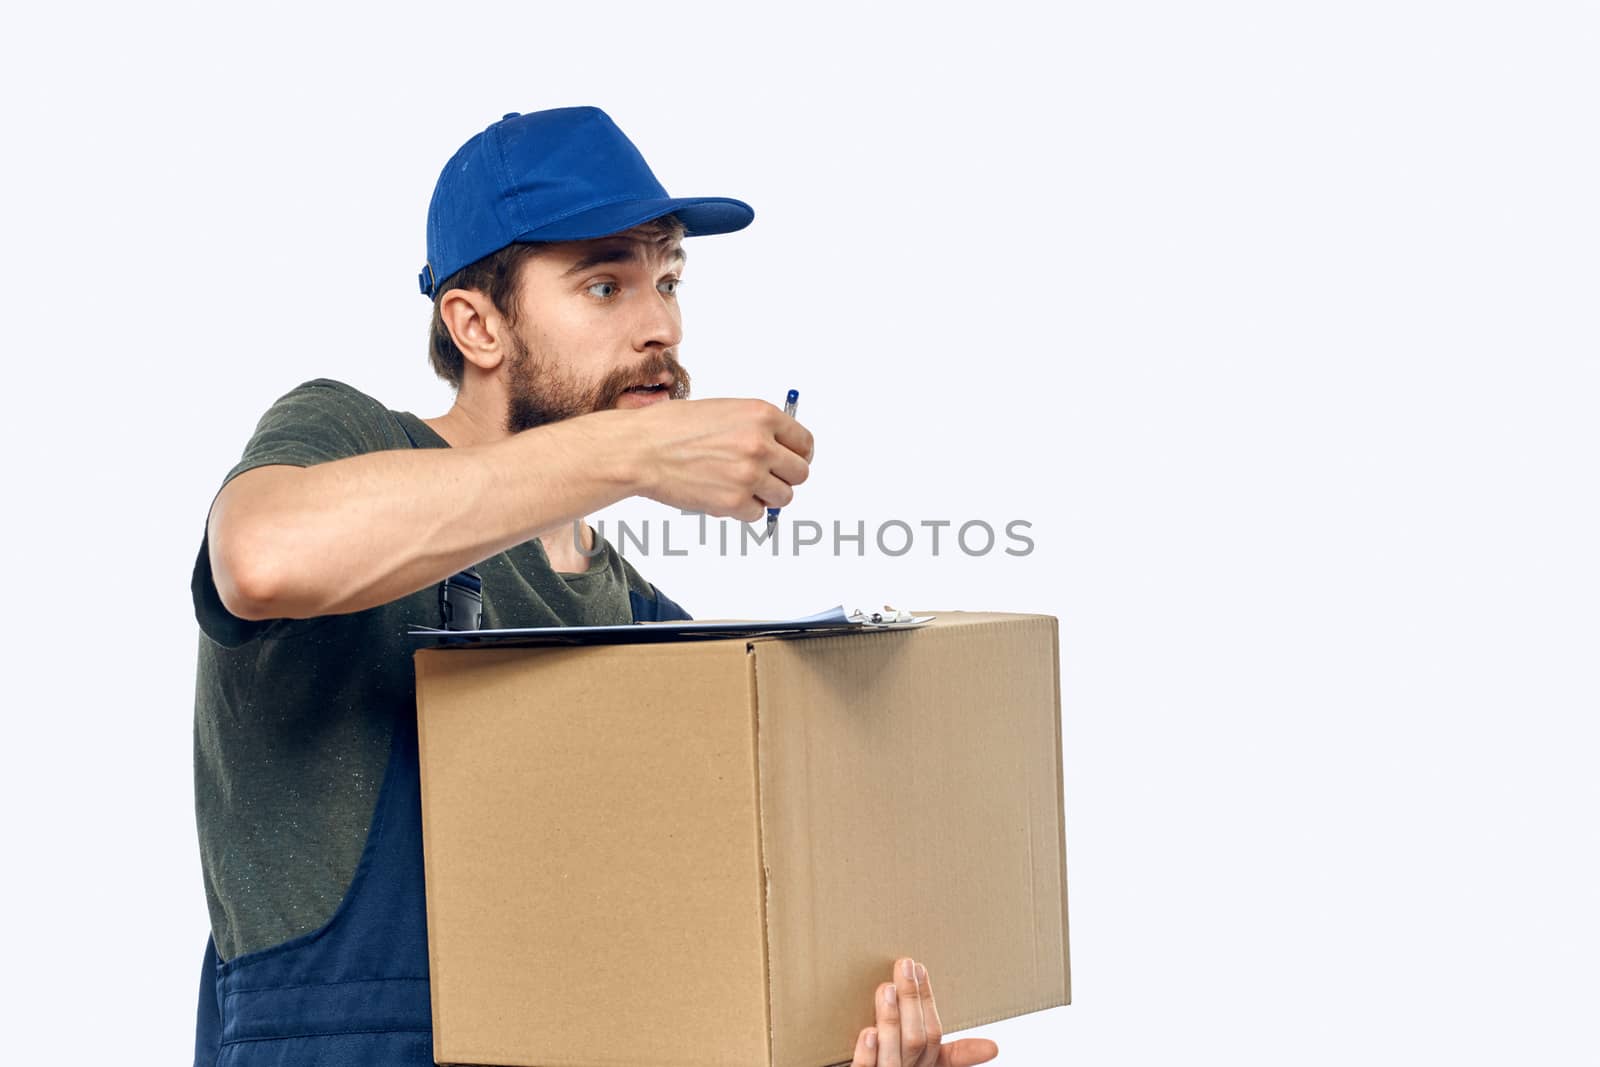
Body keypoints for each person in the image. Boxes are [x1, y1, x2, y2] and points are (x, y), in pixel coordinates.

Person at [190, 106, 1000, 1067]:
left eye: (667, 281)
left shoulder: (643, 619)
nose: (660, 325)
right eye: (606, 284)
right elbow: (264, 557)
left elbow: (687, 972)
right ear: (478, 324)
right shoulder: (347, 435)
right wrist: (637, 449)